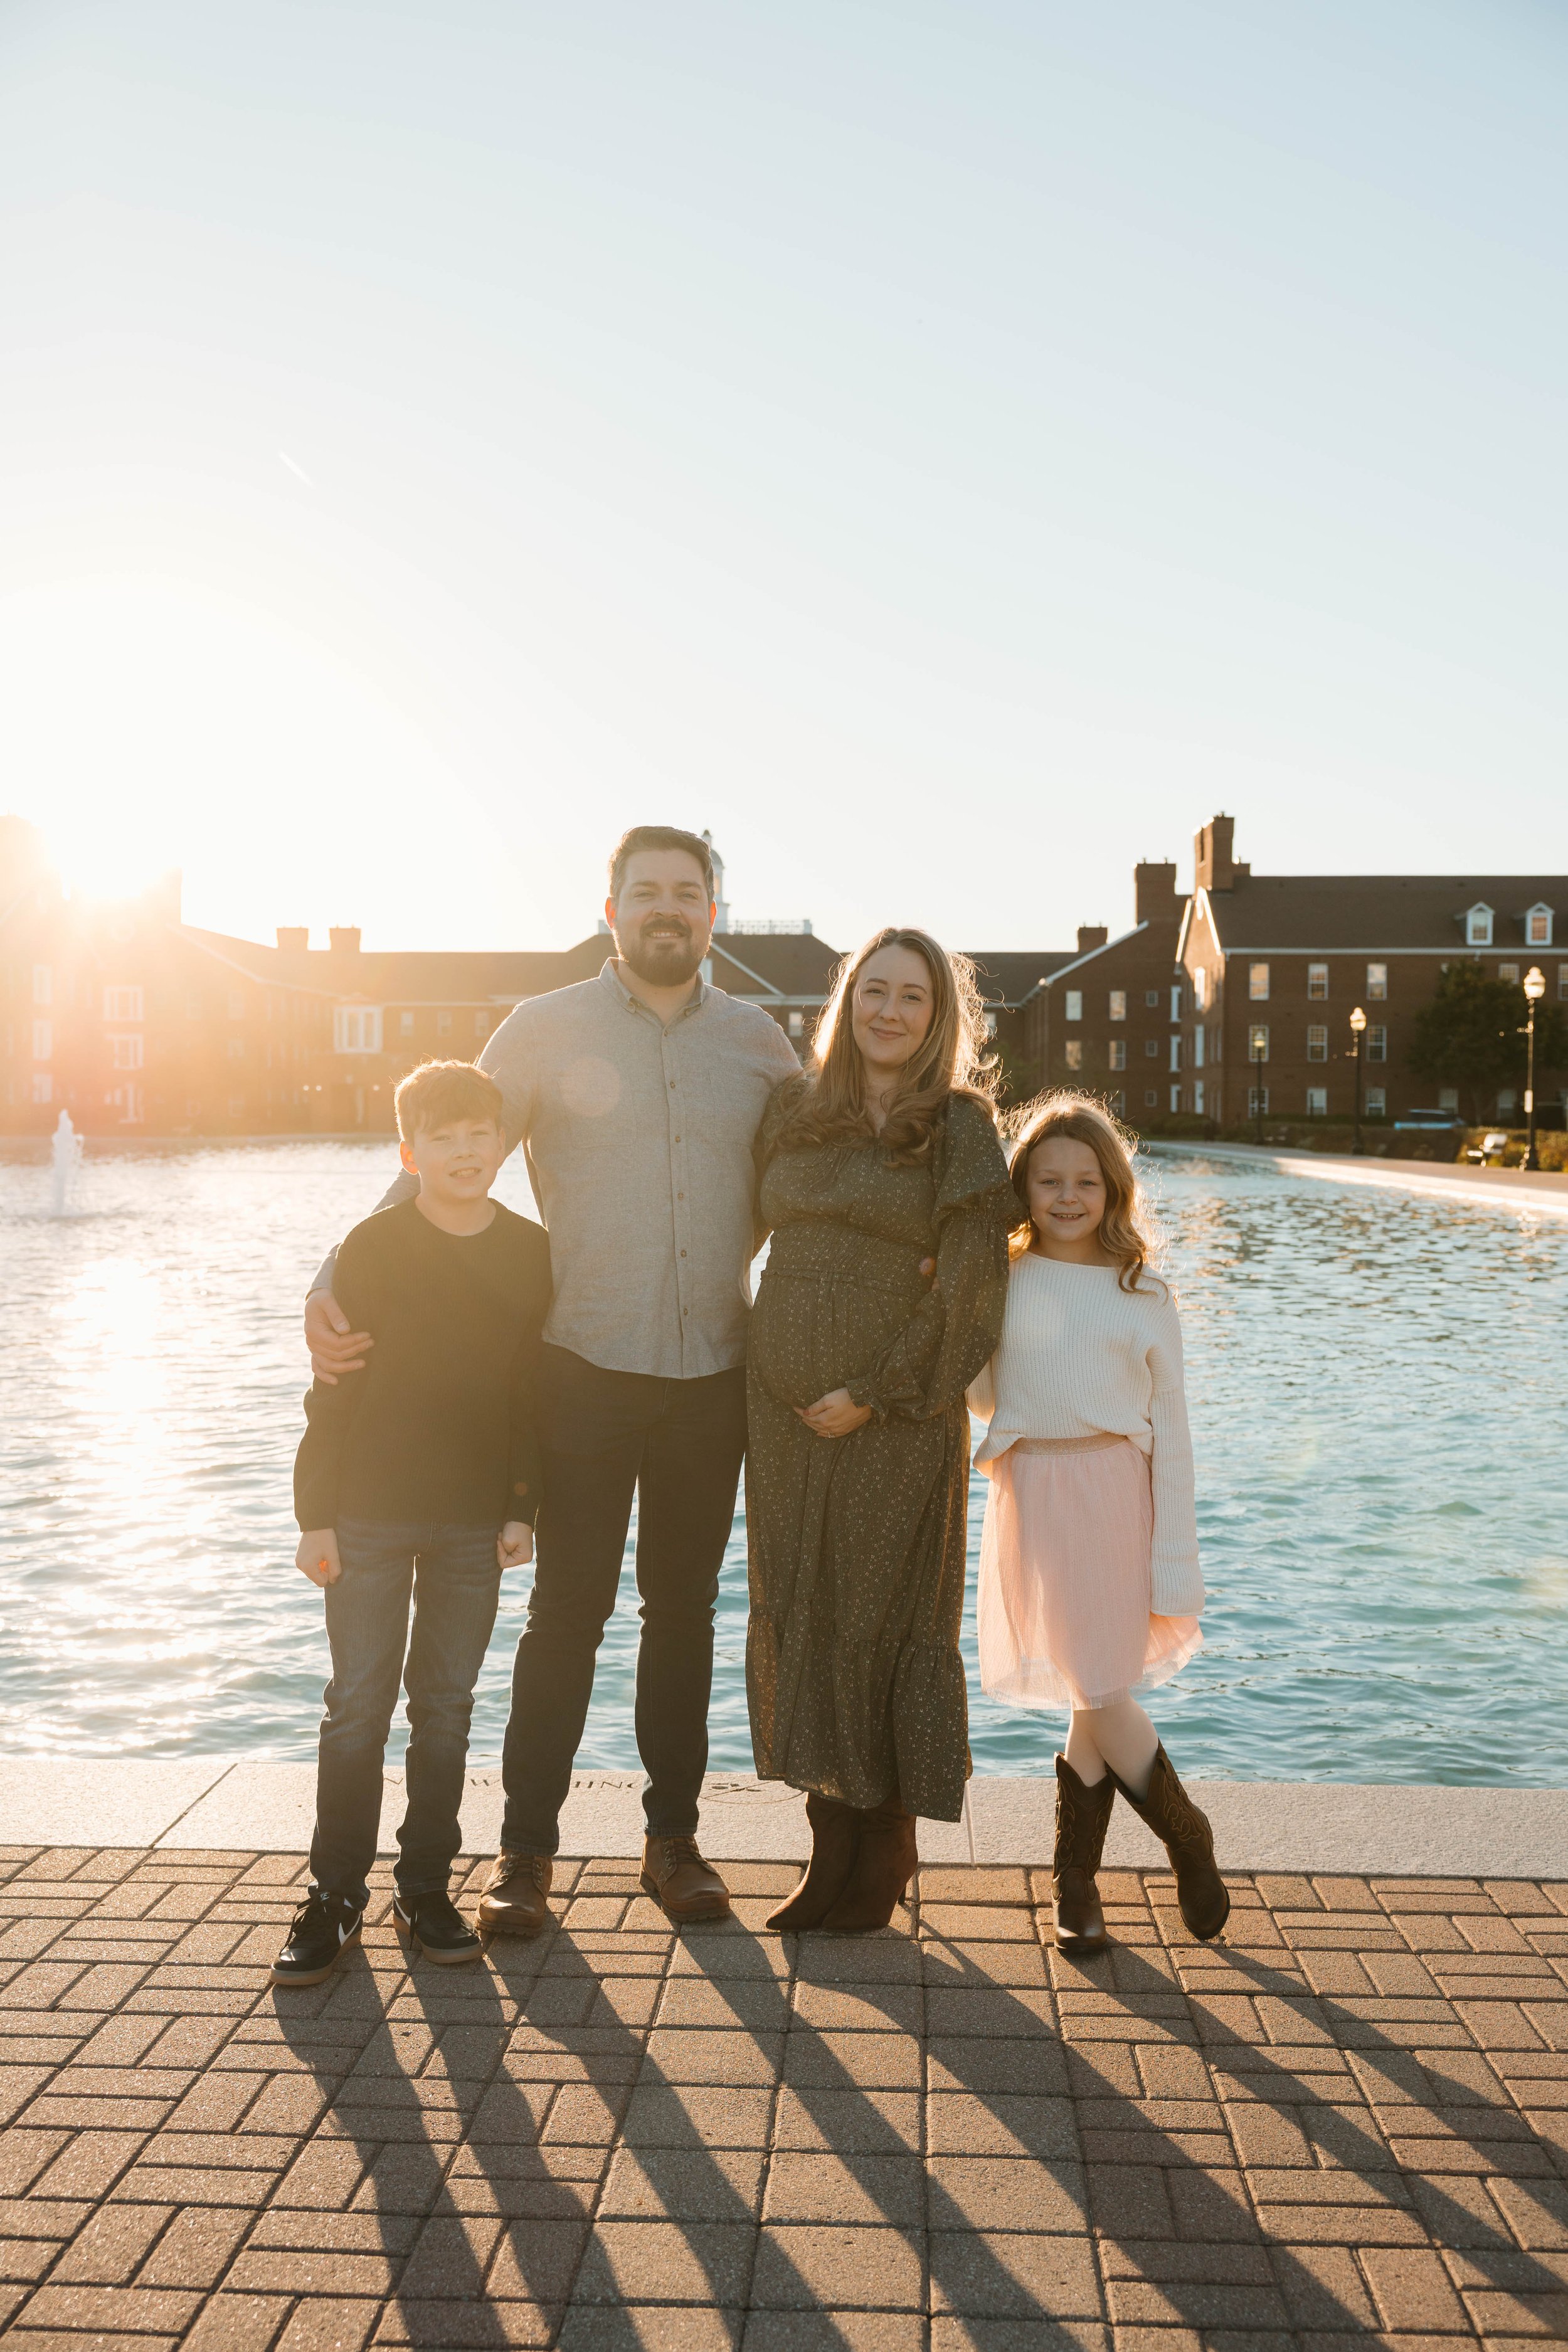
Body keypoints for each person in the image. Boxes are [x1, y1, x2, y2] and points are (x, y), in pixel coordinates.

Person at [303, 827, 800, 1935]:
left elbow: (818, 1182)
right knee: (564, 1615)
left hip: (713, 1374)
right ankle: (525, 1856)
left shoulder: (763, 1045)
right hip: (576, 1371)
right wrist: (333, 1279)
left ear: (714, 911)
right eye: (646, 891)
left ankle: (673, 1844)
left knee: (683, 1615)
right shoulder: (541, 1030)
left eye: (689, 892)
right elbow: (445, 1157)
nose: (667, 908)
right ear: (611, 906)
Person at [746, 928, 1013, 1934]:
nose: (890, 1011)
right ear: (846, 1002)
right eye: (874, 991)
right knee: (803, 1602)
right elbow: (738, 1235)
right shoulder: (793, 1111)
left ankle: (886, 1837)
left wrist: (874, 1388)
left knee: (879, 1612)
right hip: (777, 1415)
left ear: (940, 1016)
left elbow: (974, 1289)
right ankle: (829, 1847)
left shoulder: (960, 1126)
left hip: (894, 1415)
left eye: (913, 996)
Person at [274, 1060, 551, 1986]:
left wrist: (522, 1506)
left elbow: (529, 1395)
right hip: (368, 1512)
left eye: (481, 1134)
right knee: (358, 1701)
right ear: (411, 1151)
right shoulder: (374, 1245)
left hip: (475, 1521)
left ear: (500, 1146)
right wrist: (317, 1514)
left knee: (446, 1705)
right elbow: (333, 1386)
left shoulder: (527, 1252)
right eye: (444, 1137)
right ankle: (335, 1891)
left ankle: (424, 1885)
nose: (466, 1150)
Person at [968, 1093, 1227, 1954]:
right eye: (1050, 1180)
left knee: (1101, 1690)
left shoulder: (1142, 1290)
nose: (1069, 1195)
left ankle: (1179, 1839)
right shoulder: (1001, 1277)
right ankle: (1079, 1885)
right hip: (1031, 1492)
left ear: (1113, 1190)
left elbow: (1175, 1430)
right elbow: (980, 1397)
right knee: (1090, 1692)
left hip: (1115, 1490)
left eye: (1087, 1180)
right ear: (1025, 1187)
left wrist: (1174, 1554)